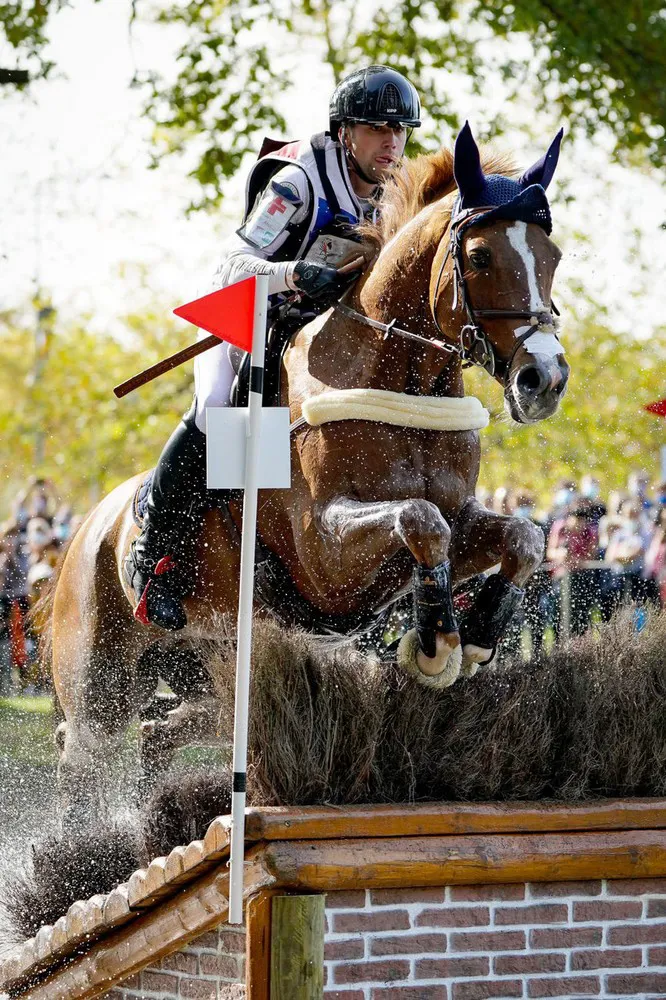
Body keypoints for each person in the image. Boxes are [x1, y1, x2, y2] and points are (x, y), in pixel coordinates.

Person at [124, 66, 422, 630]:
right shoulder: (299, 180)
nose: (392, 143)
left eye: (401, 130)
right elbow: (232, 264)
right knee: (215, 407)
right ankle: (153, 553)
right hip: (245, 313)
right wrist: (291, 274)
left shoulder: (395, 191)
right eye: (377, 129)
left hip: (321, 339)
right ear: (343, 132)